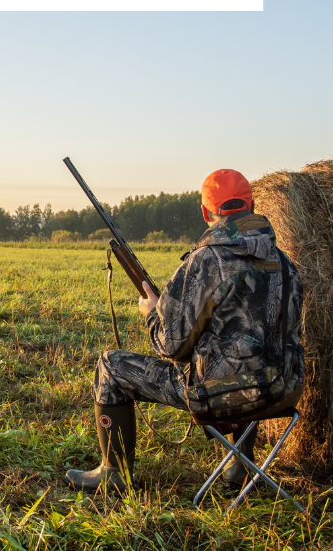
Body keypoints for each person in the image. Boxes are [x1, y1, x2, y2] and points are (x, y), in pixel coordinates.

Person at [66, 169, 304, 491]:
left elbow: (171, 346)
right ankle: (239, 469)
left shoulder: (208, 259)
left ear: (206, 212)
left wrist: (153, 314)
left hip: (223, 396)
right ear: (253, 204)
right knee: (251, 360)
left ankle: (114, 473)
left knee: (110, 365)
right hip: (282, 390)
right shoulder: (285, 262)